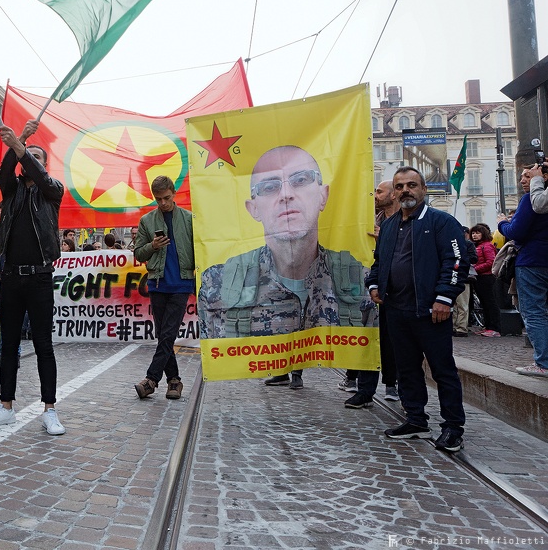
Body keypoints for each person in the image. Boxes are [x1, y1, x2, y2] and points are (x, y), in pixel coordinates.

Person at [198, 145, 365, 390]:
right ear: (253, 209)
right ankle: (282, 371)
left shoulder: (357, 280)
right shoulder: (218, 283)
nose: (286, 194)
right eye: (269, 187)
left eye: (301, 180)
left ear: (323, 195)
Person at [366, 167, 468, 452]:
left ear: (423, 189)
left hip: (430, 310)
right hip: (396, 309)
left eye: (412, 185)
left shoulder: (441, 222)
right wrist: (374, 285)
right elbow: (379, 262)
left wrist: (444, 298)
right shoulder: (388, 225)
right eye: (399, 187)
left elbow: (456, 263)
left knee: (442, 370)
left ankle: (452, 427)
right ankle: (415, 419)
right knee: (407, 369)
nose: (405, 191)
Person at [0, 120, 66, 436]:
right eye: (29, 156)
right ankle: (6, 407)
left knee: (43, 344)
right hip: (11, 278)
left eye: (36, 157)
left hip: (40, 277)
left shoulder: (52, 191)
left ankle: (50, 410)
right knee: (10, 344)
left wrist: (20, 144)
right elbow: (3, 173)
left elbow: (41, 176)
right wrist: (21, 140)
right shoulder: (12, 192)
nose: (31, 160)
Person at [132, 176, 194, 401]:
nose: (163, 203)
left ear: (174, 193)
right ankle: (174, 381)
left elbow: (200, 249)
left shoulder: (188, 219)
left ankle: (151, 380)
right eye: (158, 200)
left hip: (181, 283)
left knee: (167, 333)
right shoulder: (147, 221)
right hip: (157, 284)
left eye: (166, 198)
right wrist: (152, 246)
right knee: (163, 335)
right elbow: (138, 253)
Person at [344, 180, 400, 408]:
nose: (375, 195)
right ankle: (365, 390)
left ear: (393, 195)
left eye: (379, 191)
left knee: (395, 342)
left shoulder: (407, 220)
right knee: (368, 339)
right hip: (373, 290)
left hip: (399, 290)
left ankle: (394, 385)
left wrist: (385, 241)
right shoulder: (371, 221)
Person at [498, 165, 548, 378]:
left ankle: (543, 363)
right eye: (521, 177)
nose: (523, 180)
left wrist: (502, 224)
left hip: (532, 261)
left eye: (528, 176)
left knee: (534, 312)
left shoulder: (529, 200)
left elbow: (516, 233)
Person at [470, 224, 502, 337]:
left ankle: (494, 328)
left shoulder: (486, 246)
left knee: (490, 303)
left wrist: (474, 269)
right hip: (480, 277)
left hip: (486, 277)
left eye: (478, 233)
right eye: (473, 233)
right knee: (484, 303)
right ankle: (488, 327)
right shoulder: (479, 246)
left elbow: (490, 262)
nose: (474, 235)